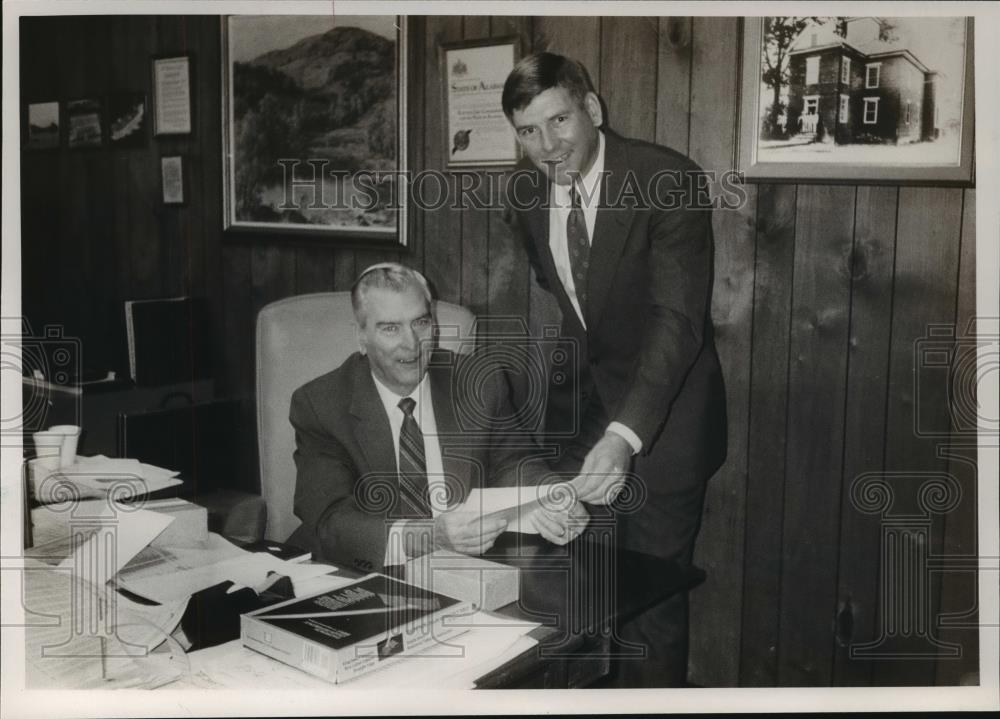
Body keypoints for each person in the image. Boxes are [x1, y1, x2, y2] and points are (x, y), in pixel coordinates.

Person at [501, 52, 727, 687]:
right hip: (580, 418)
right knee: (560, 588)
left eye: (560, 120)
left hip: (665, 424)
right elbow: (573, 305)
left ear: (593, 109)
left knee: (647, 602)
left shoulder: (667, 180)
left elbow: (677, 323)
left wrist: (625, 435)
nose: (547, 147)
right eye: (527, 131)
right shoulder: (524, 197)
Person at [287, 263, 587, 574]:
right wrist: (429, 537)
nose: (411, 343)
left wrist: (552, 496)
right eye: (390, 328)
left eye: (420, 322)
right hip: (363, 573)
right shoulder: (320, 404)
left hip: (468, 570)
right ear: (361, 337)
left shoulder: (480, 383)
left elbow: (514, 462)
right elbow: (331, 521)